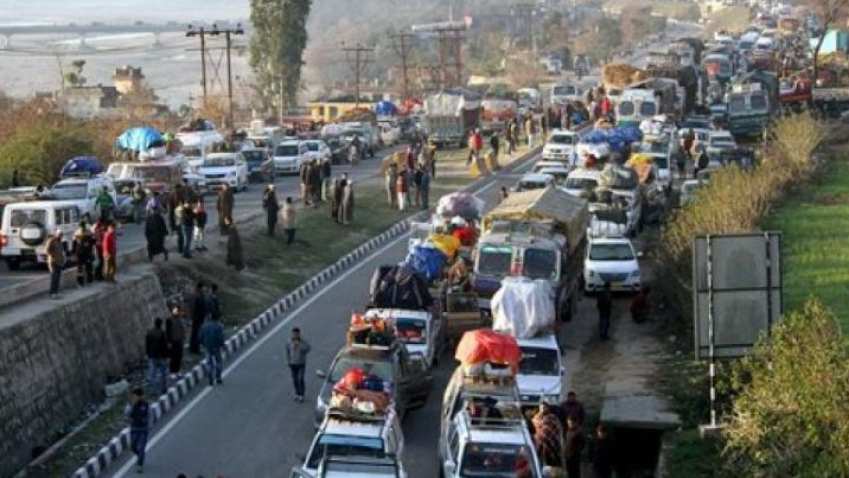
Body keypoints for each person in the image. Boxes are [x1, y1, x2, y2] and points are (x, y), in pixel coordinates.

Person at [125, 388, 151, 474]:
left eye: (136, 396)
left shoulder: (145, 405)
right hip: (134, 429)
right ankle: (139, 456)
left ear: (140, 396)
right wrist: (132, 406)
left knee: (141, 448)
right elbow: (127, 414)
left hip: (143, 429)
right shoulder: (131, 405)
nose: (134, 398)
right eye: (133, 396)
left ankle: (140, 465)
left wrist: (148, 425)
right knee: (133, 447)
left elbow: (149, 415)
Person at [532, 402, 564, 468]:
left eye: (544, 407)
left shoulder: (553, 417)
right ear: (539, 408)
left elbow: (558, 429)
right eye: (541, 407)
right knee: (539, 464)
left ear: (548, 408)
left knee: (552, 464)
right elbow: (535, 430)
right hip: (540, 444)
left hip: (552, 443)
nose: (543, 409)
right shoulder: (536, 418)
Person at [199, 313, 225, 386]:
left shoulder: (204, 326)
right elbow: (221, 337)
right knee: (219, 361)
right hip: (216, 347)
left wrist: (203, 344)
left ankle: (210, 377)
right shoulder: (219, 326)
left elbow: (200, 337)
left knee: (209, 363)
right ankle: (218, 377)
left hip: (207, 347)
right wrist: (222, 345)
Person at [286, 327, 311, 402]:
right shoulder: (289, 342)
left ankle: (302, 395)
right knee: (295, 379)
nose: (295, 335)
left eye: (296, 334)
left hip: (301, 363)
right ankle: (297, 393)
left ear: (299, 334)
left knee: (300, 379)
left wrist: (299, 346)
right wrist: (288, 361)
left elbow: (308, 348)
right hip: (292, 364)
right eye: (294, 334)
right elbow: (287, 352)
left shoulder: (302, 341)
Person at [145, 317, 169, 395]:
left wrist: (148, 354)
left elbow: (147, 345)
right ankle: (163, 388)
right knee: (163, 373)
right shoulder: (162, 333)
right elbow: (165, 345)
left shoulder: (149, 333)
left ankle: (154, 390)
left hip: (152, 356)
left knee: (152, 374)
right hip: (161, 356)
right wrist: (166, 355)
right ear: (160, 324)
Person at [72, 221, 96, 287]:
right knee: (80, 269)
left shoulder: (88, 232)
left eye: (83, 226)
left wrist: (89, 244)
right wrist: (74, 253)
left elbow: (93, 241)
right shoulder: (77, 233)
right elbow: (74, 244)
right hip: (80, 253)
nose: (82, 227)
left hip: (86, 252)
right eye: (81, 226)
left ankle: (89, 281)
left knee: (88, 267)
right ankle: (81, 282)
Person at [165, 306, 186, 377]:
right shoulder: (169, 320)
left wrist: (183, 338)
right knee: (173, 357)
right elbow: (168, 332)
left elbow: (182, 329)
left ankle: (178, 370)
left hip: (179, 340)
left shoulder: (180, 320)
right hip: (173, 341)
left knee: (179, 356)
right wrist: (169, 342)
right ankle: (172, 371)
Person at [45, 230, 65, 299]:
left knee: (58, 278)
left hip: (59, 262)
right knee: (54, 278)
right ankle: (52, 293)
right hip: (53, 262)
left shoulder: (60, 242)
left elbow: (61, 252)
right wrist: (52, 255)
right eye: (59, 235)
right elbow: (47, 250)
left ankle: (56, 292)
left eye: (61, 235)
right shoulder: (51, 241)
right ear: (56, 234)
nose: (61, 236)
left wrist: (63, 260)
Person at [189, 282, 207, 355]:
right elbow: (200, 307)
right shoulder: (198, 296)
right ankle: (196, 349)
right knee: (197, 334)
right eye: (203, 288)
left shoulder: (196, 295)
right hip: (198, 318)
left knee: (194, 333)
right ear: (200, 288)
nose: (204, 289)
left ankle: (193, 348)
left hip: (196, 318)